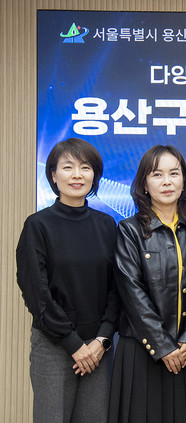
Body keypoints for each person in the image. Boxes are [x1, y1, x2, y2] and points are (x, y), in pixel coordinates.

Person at [16, 138, 120, 422]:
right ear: (53, 175)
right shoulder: (37, 225)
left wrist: (102, 340)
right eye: (67, 167)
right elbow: (37, 294)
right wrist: (73, 344)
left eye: (85, 167)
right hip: (54, 345)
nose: (77, 175)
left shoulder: (106, 225)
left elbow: (117, 289)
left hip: (98, 348)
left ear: (95, 175)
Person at [109, 145, 186, 422]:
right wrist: (163, 347)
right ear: (144, 184)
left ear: (184, 181)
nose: (166, 181)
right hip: (142, 350)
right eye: (157, 174)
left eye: (174, 173)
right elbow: (132, 293)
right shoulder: (129, 230)